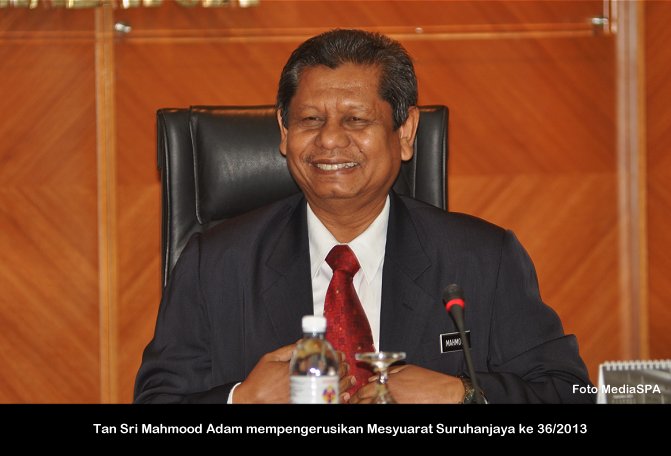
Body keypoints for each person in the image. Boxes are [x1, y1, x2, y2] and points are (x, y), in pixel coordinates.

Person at [134, 29, 594, 404]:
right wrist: (242, 401)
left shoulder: (482, 260)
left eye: (356, 120)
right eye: (310, 120)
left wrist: (462, 395)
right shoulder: (214, 264)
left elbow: (570, 394)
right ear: (284, 132)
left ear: (406, 132)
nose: (330, 140)